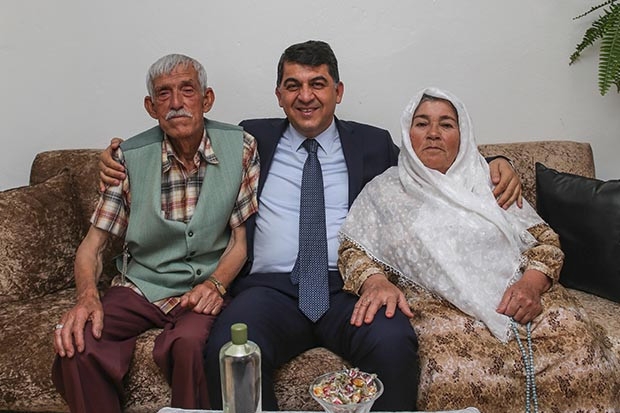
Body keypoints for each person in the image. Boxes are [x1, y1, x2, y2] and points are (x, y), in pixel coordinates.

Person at [97, 41, 522, 411]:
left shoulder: (372, 143)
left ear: (338, 91)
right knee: (230, 350)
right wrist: (117, 155)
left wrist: (494, 164)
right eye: (293, 85)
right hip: (268, 289)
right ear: (279, 95)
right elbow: (182, 132)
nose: (305, 96)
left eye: (317, 84)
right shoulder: (249, 139)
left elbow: (428, 167)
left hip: (349, 289)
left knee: (393, 343)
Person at [338, 87, 620, 412]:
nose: (433, 133)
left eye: (446, 124)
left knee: (580, 345)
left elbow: (544, 240)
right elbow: (352, 248)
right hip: (440, 309)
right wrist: (375, 281)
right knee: (451, 373)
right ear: (407, 132)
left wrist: (531, 284)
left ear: (463, 135)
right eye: (422, 123)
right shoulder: (385, 191)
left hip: (522, 296)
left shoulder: (490, 181)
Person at [51, 53, 259, 413]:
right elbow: (92, 248)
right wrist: (86, 297)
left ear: (207, 99)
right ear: (151, 107)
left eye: (187, 90)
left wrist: (216, 285)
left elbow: (240, 242)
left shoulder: (241, 147)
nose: (176, 103)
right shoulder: (127, 157)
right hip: (141, 285)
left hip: (205, 286)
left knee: (191, 345)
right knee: (79, 344)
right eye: (164, 93)